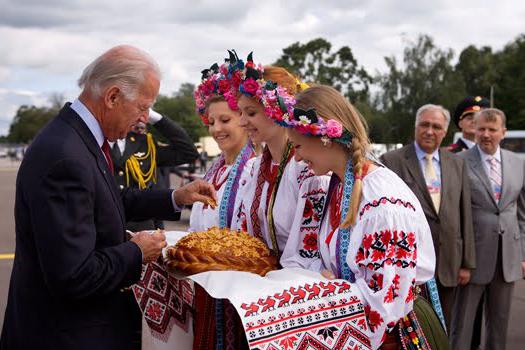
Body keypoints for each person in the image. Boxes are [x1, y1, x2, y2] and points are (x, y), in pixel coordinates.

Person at [0, 45, 215, 350]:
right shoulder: (66, 156)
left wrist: (176, 196)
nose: (143, 119)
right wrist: (137, 251)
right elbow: (74, 276)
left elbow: (110, 200)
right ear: (113, 97)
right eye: (143, 107)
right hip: (67, 336)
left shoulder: (79, 139)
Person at [282, 85, 437, 349]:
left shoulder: (383, 203)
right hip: (359, 326)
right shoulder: (339, 185)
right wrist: (325, 279)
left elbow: (385, 304)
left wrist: (334, 289)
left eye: (297, 146)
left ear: (324, 138)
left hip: (389, 337)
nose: (296, 158)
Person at [231, 53, 330, 271]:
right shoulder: (255, 168)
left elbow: (310, 252)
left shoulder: (309, 170)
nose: (242, 121)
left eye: (251, 112)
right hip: (257, 282)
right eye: (240, 112)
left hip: (297, 286)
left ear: (277, 110)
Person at [380, 104, 476, 329]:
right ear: (415, 127)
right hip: (409, 264)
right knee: (413, 328)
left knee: (445, 326)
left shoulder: (457, 163)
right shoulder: (391, 161)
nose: (429, 131)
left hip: (449, 263)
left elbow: (465, 213)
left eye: (436, 126)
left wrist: (466, 263)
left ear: (445, 131)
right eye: (424, 124)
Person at [189, 56, 256, 349]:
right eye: (212, 121)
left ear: (244, 119)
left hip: (239, 294)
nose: (216, 129)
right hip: (208, 289)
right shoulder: (214, 170)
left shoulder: (255, 171)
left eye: (225, 120)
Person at [452, 108, 525, 350]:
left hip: (508, 259)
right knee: (462, 326)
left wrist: (523, 254)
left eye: (492, 130)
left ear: (503, 132)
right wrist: (461, 258)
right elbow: (454, 214)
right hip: (471, 261)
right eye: (481, 128)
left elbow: (522, 214)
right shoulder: (459, 161)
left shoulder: (518, 163)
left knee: (499, 325)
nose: (485, 134)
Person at [110, 108, 199, 231]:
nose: (138, 127)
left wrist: (153, 116)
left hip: (141, 227)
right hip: (105, 226)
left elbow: (188, 152)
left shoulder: (146, 144)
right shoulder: (97, 139)